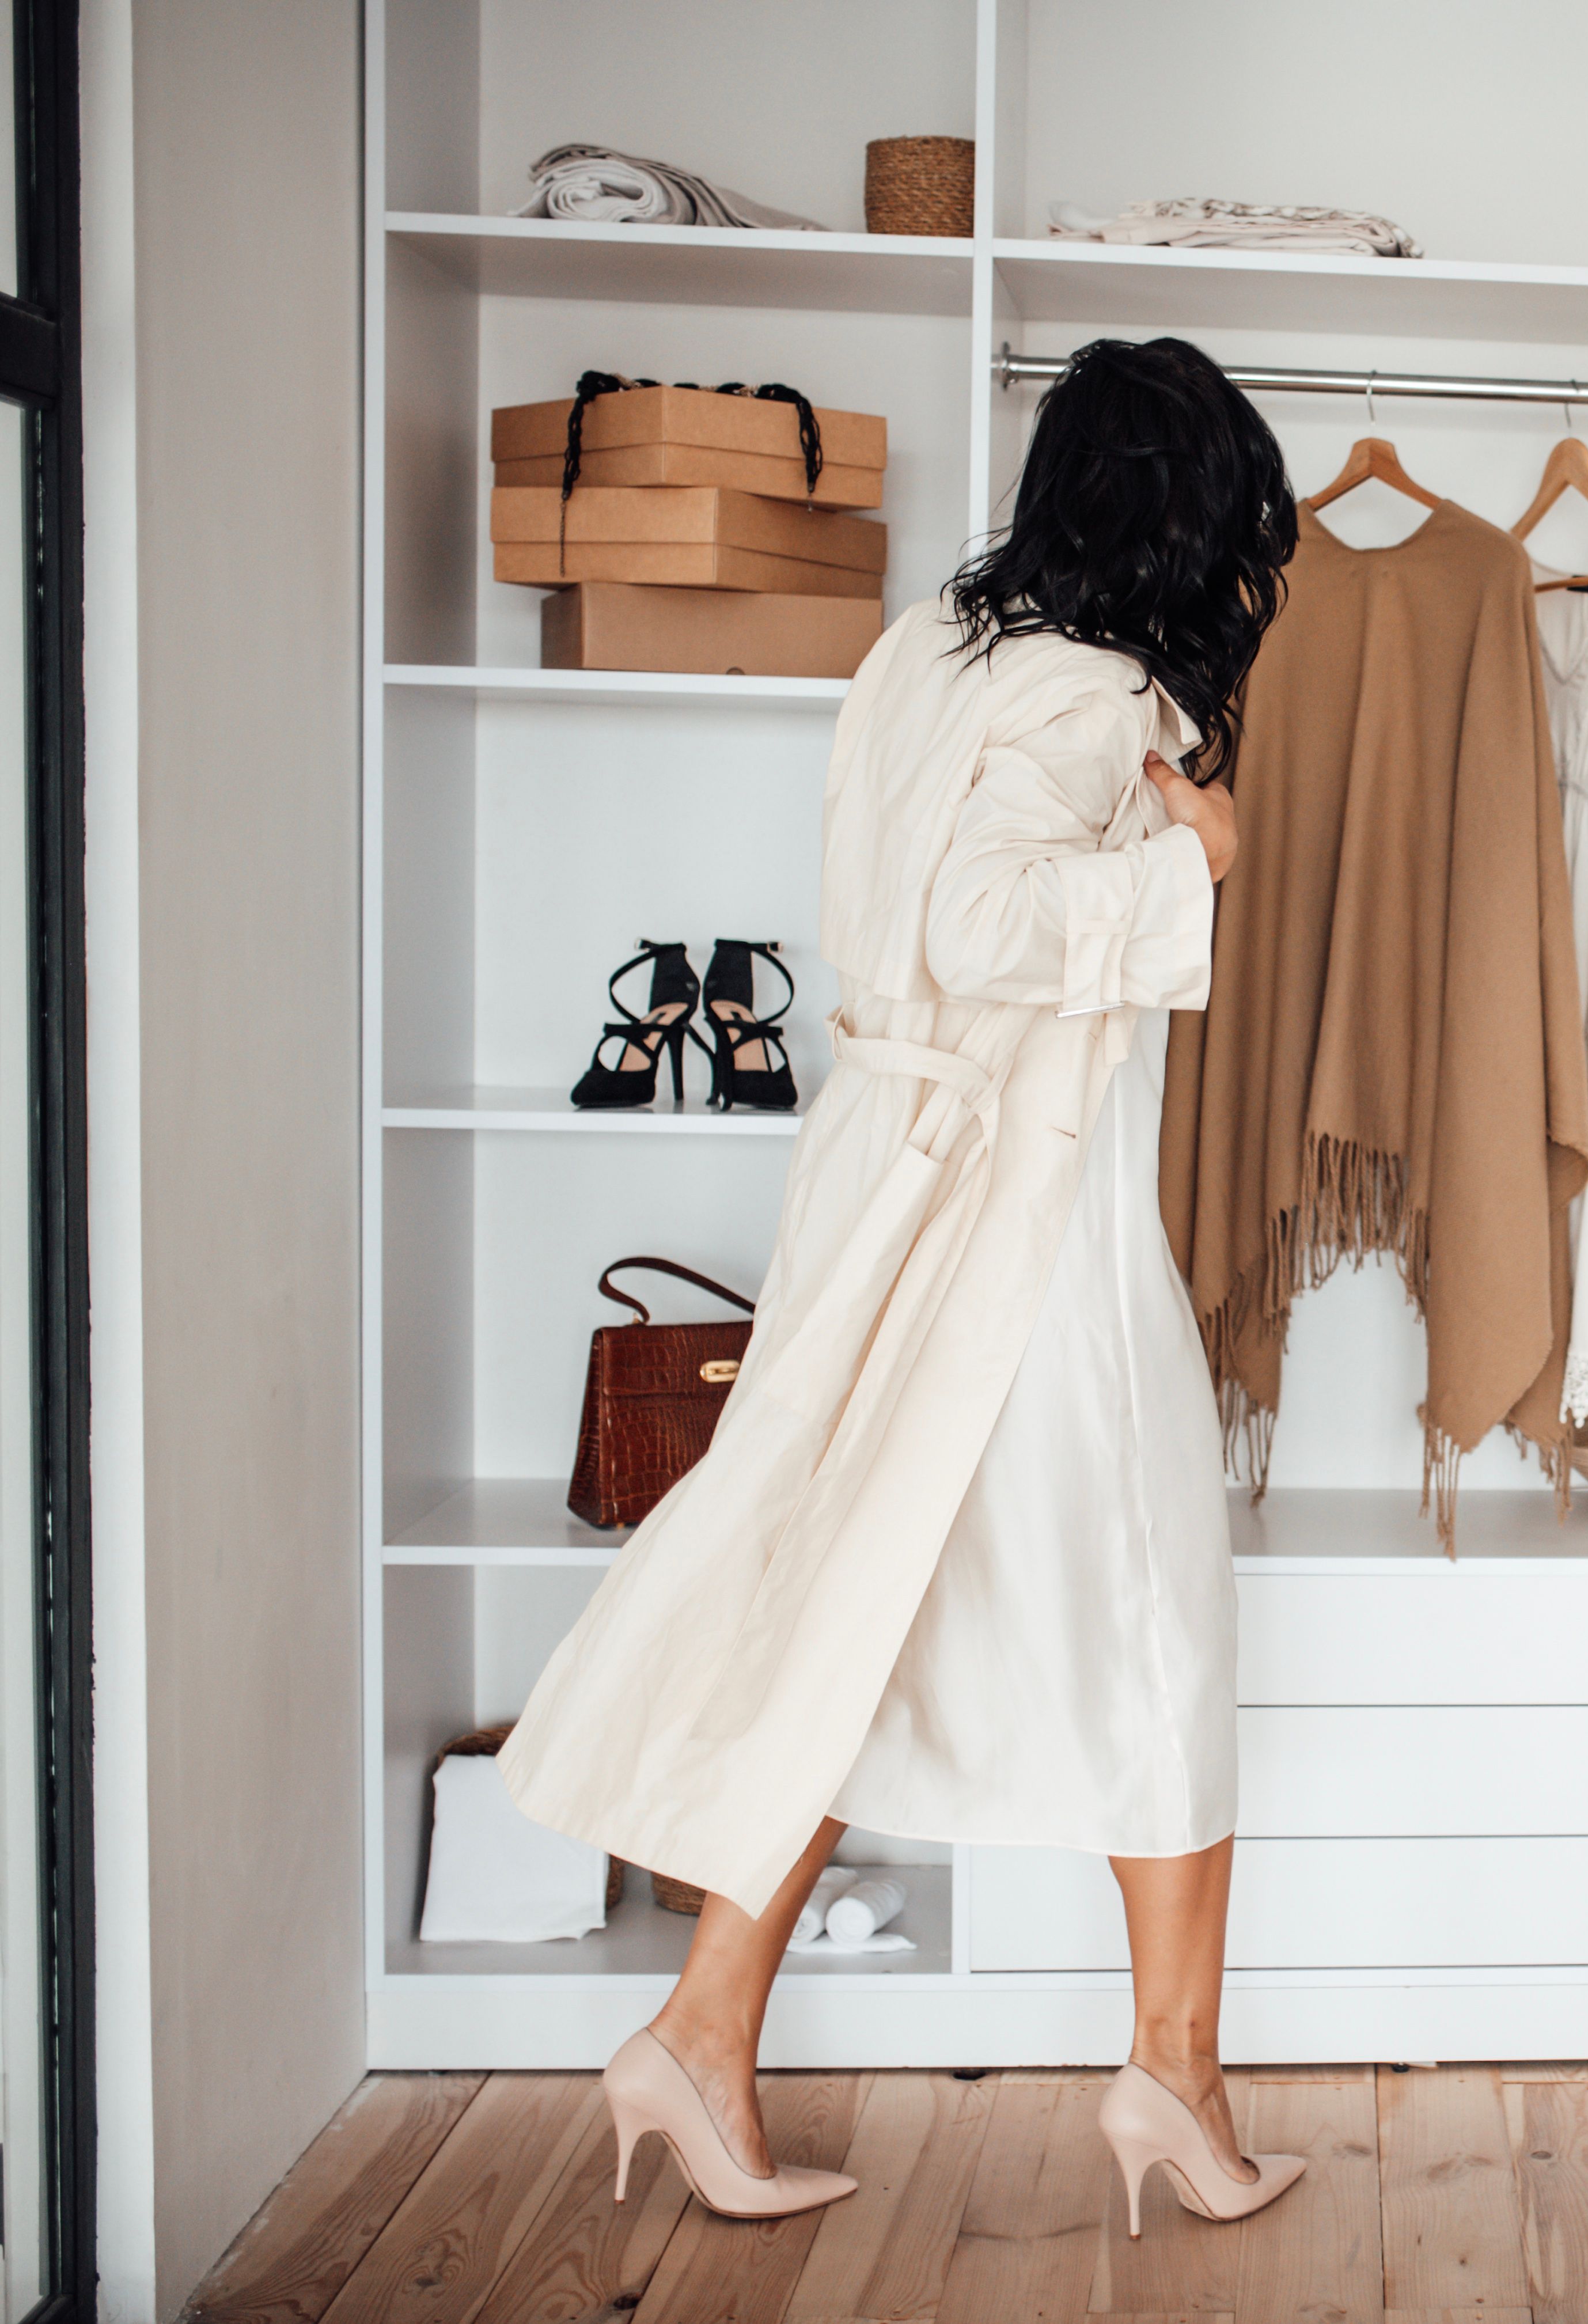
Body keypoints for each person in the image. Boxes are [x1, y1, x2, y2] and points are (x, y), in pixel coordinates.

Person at [496, 336, 1305, 2232]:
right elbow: (978, 924)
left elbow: (897, 915)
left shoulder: (925, 650)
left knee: (841, 1607)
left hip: (879, 1177)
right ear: (1184, 520)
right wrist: (1193, 861)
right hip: (1025, 1216)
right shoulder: (1093, 696)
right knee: (1162, 1630)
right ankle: (1175, 2079)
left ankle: (700, 2031)